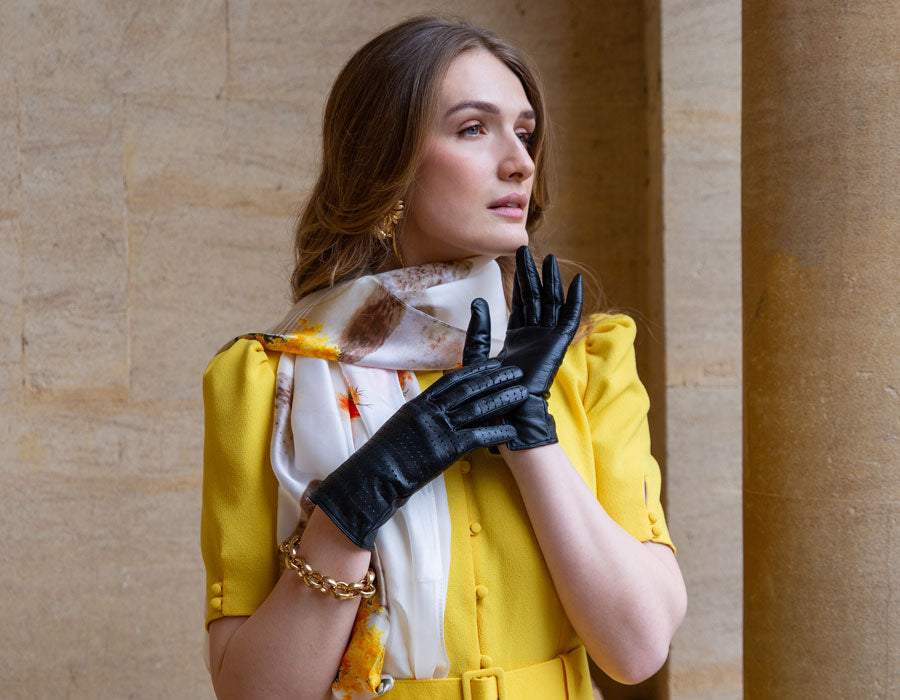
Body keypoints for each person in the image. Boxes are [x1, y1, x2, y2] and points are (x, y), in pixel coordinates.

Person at [200, 15, 686, 700]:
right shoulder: (268, 381)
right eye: (473, 129)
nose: (520, 161)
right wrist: (358, 499)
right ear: (387, 162)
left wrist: (531, 435)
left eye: (525, 132)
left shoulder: (588, 363)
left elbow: (637, 649)